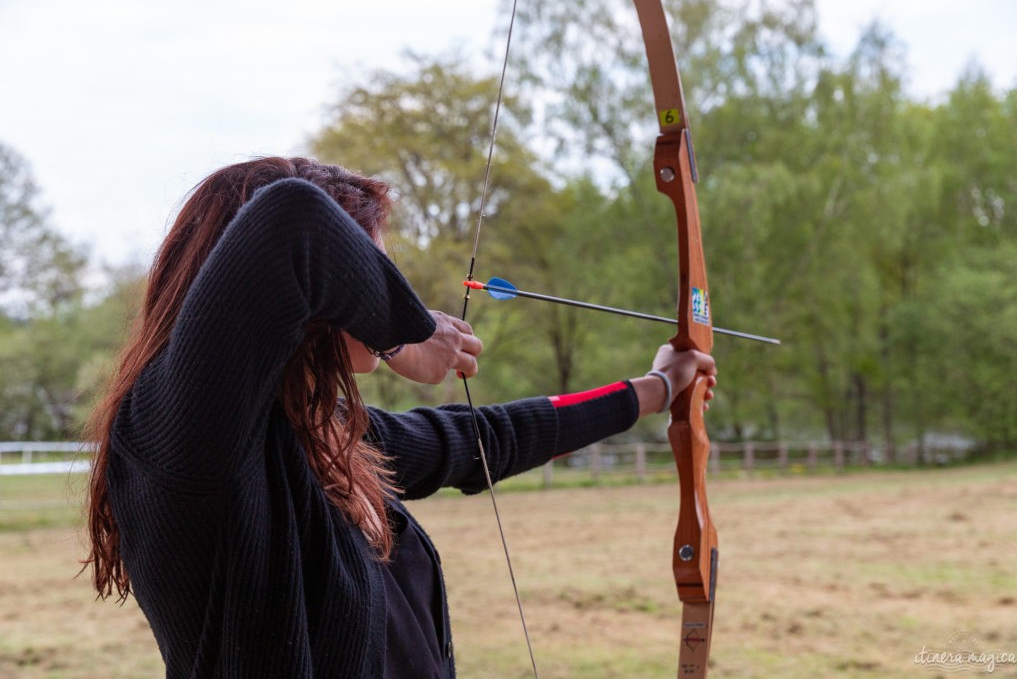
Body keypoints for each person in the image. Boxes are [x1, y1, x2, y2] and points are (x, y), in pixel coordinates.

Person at [83, 156, 716, 678]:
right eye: (375, 265)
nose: (387, 282)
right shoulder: (180, 437)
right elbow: (293, 223)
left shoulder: (321, 435)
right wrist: (404, 334)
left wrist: (657, 389)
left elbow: (483, 439)